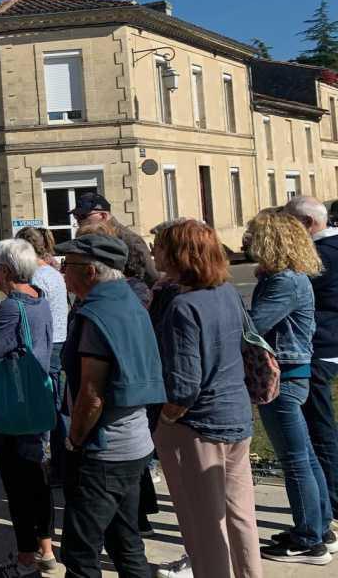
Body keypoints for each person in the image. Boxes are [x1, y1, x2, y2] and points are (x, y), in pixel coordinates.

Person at [149, 220, 262, 578]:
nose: (154, 252)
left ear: (178, 254)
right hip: (236, 414)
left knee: (203, 526)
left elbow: (185, 385)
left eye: (160, 246)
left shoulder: (183, 306)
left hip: (198, 424)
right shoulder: (227, 291)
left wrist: (166, 418)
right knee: (240, 516)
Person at [53, 234, 164, 578]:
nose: (62, 272)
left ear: (90, 271)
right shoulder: (129, 301)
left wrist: (74, 440)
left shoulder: (97, 315)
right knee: (125, 540)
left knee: (79, 551)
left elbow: (92, 394)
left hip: (106, 450)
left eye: (67, 265)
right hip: (135, 443)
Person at [248, 211, 336, 562]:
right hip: (291, 372)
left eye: (254, 236)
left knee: (295, 460)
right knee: (305, 455)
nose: (248, 242)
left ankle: (309, 538)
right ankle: (319, 527)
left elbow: (253, 326)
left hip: (284, 376)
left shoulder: (284, 281)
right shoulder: (287, 277)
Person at [0, 239, 57, 577]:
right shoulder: (40, 298)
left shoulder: (10, 309)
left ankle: (24, 560)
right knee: (37, 480)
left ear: (6, 270)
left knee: (18, 486)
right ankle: (45, 550)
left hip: (13, 407)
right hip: (37, 399)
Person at [285, 196, 338, 527]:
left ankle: (332, 503)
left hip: (319, 348)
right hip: (328, 345)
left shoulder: (321, 256)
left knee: (319, 431)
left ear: (307, 223)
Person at [16, 226, 71, 483]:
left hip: (49, 344)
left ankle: (56, 464)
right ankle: (60, 463)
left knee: (50, 407)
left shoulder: (37, 278)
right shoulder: (52, 272)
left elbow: (34, 315)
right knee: (57, 405)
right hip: (59, 340)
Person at [69, 192, 157, 286]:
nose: (78, 221)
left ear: (103, 216)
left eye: (83, 216)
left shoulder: (130, 240)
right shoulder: (91, 239)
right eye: (76, 216)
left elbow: (152, 278)